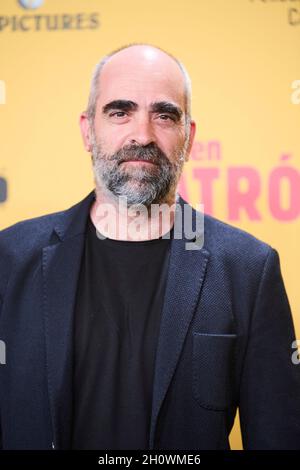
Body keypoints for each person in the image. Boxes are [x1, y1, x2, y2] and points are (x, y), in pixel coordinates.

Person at [0, 43, 299, 450]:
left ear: (188, 137)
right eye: (120, 112)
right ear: (88, 131)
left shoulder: (248, 269)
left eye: (164, 115)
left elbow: (278, 436)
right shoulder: (11, 257)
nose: (142, 134)